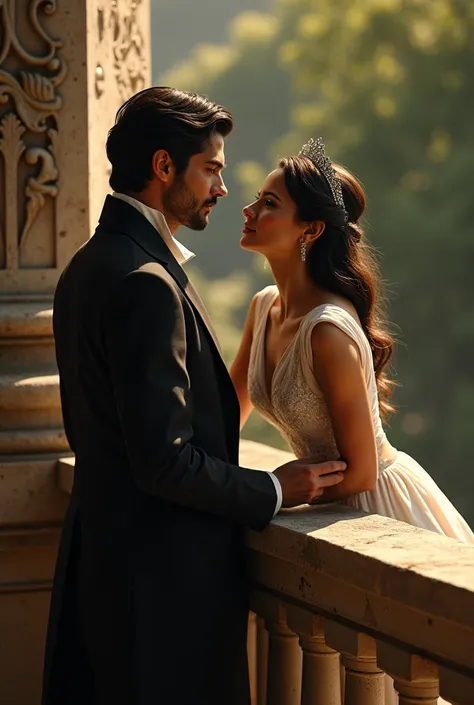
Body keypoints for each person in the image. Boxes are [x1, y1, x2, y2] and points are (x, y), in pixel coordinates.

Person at [41, 92, 346, 705]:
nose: (223, 190)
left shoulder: (88, 263)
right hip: (158, 598)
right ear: (163, 167)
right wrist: (278, 488)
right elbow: (164, 462)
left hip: (104, 573)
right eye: (212, 169)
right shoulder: (144, 282)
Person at [231, 137, 474, 545]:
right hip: (321, 512)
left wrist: (272, 493)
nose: (249, 210)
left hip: (374, 509)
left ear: (311, 229)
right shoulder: (263, 307)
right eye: (258, 198)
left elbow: (361, 474)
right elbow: (225, 416)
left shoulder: (327, 331)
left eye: (269, 203)